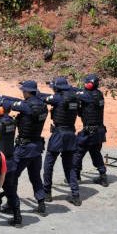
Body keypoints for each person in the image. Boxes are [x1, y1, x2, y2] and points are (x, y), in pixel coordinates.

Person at [0, 80, 48, 223]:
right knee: (35, 175)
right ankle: (41, 202)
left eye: (24, 91)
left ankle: (11, 204)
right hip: (37, 147)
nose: (22, 93)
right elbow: (18, 101)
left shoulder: (28, 107)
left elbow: (12, 104)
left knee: (12, 176)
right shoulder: (42, 105)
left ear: (28, 92)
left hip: (24, 148)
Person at [39, 77, 81, 206]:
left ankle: (47, 193)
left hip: (59, 134)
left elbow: (42, 97)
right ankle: (75, 195)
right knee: (70, 166)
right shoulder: (74, 96)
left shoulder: (57, 97)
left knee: (48, 164)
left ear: (58, 88)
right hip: (70, 134)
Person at [73, 74, 108, 187]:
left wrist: (64, 88)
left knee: (78, 152)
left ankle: (76, 176)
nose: (84, 84)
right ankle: (103, 176)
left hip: (89, 132)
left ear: (90, 84)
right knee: (95, 153)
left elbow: (76, 94)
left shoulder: (87, 95)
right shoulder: (98, 94)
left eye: (86, 82)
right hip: (99, 131)